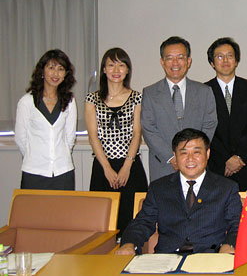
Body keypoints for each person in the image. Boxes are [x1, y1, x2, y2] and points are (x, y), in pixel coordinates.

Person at [115, 128, 242, 255]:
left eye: (197, 152)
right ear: (175, 156)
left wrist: (229, 245)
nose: (190, 159)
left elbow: (237, 225)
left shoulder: (226, 188)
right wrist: (128, 244)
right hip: (167, 258)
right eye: (184, 153)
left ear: (207, 154)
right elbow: (143, 222)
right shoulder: (158, 188)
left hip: (209, 258)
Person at [85, 48, 148, 237]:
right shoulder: (92, 99)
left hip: (130, 165)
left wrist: (127, 165)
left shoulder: (136, 96)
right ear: (104, 69)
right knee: (104, 222)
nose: (116, 69)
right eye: (111, 64)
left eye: (121, 65)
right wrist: (106, 168)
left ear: (128, 70)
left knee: (132, 217)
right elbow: (92, 136)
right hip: (103, 165)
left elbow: (137, 133)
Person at [141, 36, 218, 182]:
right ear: (162, 62)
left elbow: (210, 123)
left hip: (196, 164)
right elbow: (148, 128)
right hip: (163, 165)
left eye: (180, 57)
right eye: (169, 58)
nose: (175, 63)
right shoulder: (149, 93)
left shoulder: (204, 91)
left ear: (189, 61)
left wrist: (193, 154)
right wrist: (172, 157)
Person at [204, 37, 247, 196]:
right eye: (219, 56)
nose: (225, 60)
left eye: (230, 55)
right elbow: (206, 130)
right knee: (217, 215)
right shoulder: (203, 91)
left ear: (236, 60)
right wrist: (226, 159)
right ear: (212, 63)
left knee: (246, 215)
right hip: (217, 165)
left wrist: (238, 157)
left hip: (246, 164)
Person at [15, 49, 77, 190]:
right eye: (51, 68)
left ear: (66, 74)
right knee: (33, 212)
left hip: (63, 172)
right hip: (34, 172)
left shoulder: (69, 102)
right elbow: (21, 139)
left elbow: (69, 138)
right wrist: (36, 156)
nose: (56, 74)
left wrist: (59, 157)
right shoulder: (27, 102)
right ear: (42, 71)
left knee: (63, 212)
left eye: (61, 69)